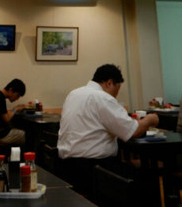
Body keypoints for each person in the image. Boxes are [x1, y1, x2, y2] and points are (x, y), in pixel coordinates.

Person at [57, 64, 159, 200]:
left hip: (66, 167)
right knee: (148, 178)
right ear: (109, 83)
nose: (116, 95)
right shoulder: (102, 97)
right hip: (93, 169)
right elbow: (133, 131)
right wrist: (150, 119)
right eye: (117, 89)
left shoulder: (74, 94)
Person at [0, 78, 27, 145]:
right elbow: (6, 119)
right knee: (25, 134)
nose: (17, 98)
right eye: (17, 95)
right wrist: (15, 108)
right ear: (11, 90)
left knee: (19, 130)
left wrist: (14, 110)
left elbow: (4, 114)